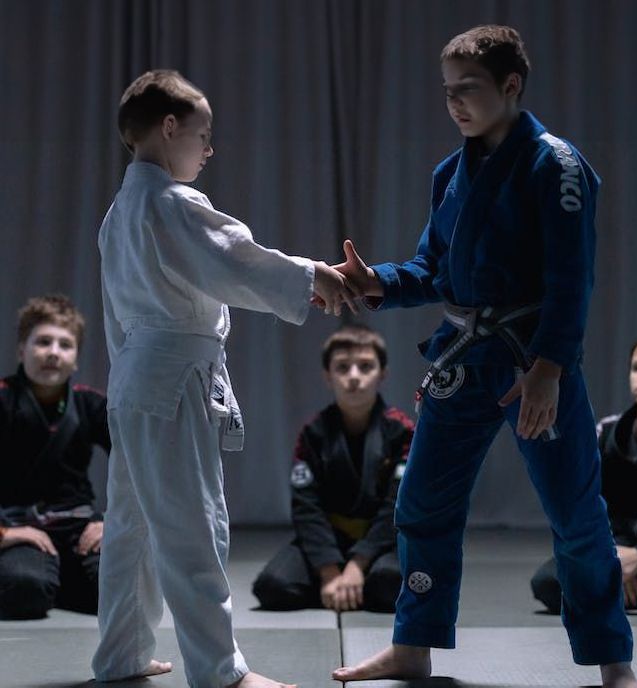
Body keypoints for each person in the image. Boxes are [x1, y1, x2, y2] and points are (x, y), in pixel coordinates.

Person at [326, 25, 637, 688]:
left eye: (468, 89)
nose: (455, 104)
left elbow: (570, 279)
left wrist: (550, 371)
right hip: (464, 360)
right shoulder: (452, 172)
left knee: (577, 514)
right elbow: (432, 269)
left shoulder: (555, 165)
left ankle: (615, 663)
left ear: (511, 85)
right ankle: (413, 645)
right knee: (422, 507)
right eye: (447, 92)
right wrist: (378, 281)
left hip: (533, 361)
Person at [92, 70, 356, 688]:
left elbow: (119, 314)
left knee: (131, 528)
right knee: (192, 526)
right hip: (174, 379)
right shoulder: (172, 203)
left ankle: (120, 657)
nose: (209, 150)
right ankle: (220, 674)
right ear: (168, 127)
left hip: (134, 379)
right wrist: (311, 274)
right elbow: (234, 258)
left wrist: (130, 379)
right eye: (203, 135)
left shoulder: (118, 213)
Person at [253, 325, 413, 613]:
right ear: (328, 376)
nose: (354, 377)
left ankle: (352, 584)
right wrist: (328, 570)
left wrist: (358, 563)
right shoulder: (313, 433)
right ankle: (341, 588)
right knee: (271, 587)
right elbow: (306, 507)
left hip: (383, 541)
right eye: (342, 367)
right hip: (331, 538)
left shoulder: (402, 432)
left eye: (365, 367)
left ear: (382, 374)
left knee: (389, 584)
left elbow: (397, 506)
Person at [532, 329, 637, 619]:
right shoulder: (608, 434)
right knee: (548, 582)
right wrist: (613, 555)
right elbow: (588, 501)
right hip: (617, 548)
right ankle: (634, 587)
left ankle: (628, 588)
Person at [0, 294, 109, 619]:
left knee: (122, 590)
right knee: (25, 589)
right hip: (17, 527)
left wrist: (114, 521)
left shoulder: (91, 405)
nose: (53, 353)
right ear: (22, 350)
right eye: (43, 342)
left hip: (77, 526)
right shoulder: (3, 399)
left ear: (75, 359)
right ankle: (37, 574)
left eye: (65, 345)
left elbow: (139, 466)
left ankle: (51, 574)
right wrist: (4, 534)